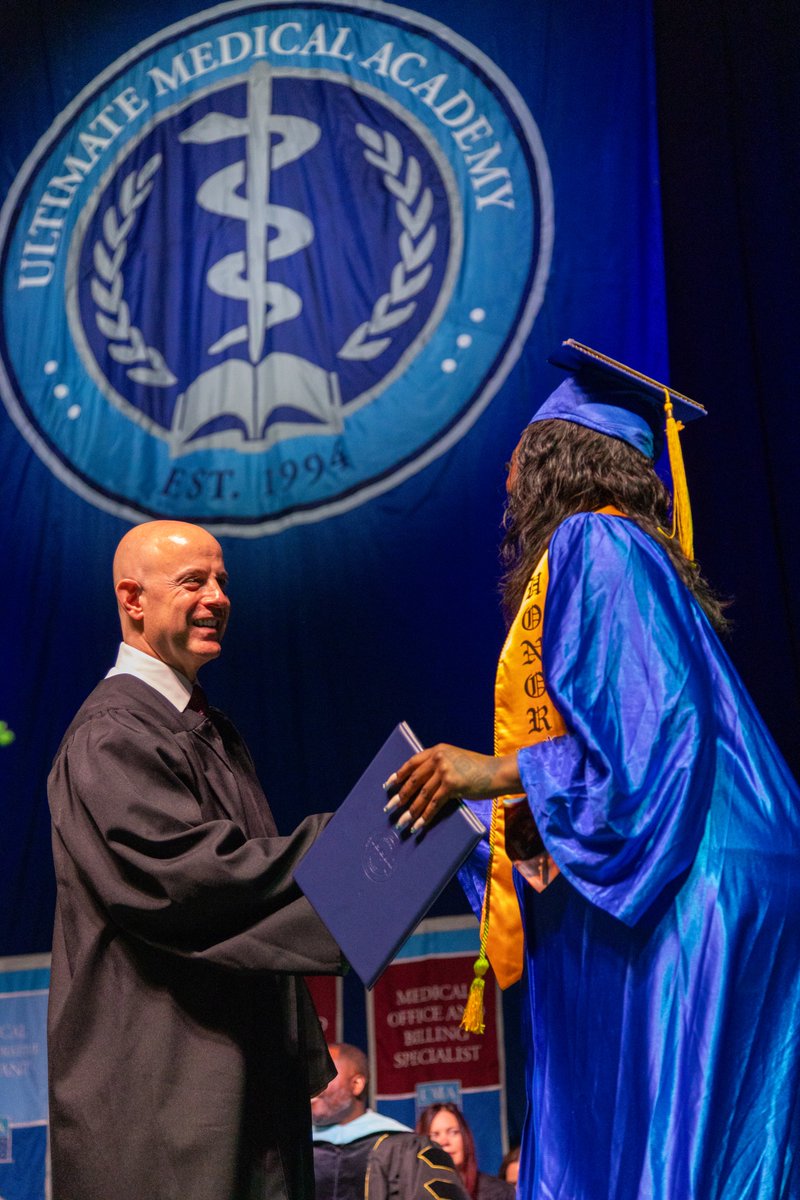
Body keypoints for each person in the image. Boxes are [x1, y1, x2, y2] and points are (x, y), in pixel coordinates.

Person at [386, 343, 800, 1198]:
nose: (505, 483)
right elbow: (612, 764)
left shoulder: (594, 541)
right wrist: (476, 838)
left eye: (515, 459)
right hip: (714, 876)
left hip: (694, 897)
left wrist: (491, 773)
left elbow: (650, 750)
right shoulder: (629, 556)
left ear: (551, 462)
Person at [47, 520, 346, 1200]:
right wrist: (364, 844)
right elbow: (195, 885)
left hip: (237, 1091)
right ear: (134, 600)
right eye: (193, 582)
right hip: (163, 1109)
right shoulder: (112, 737)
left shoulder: (202, 726)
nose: (218, 597)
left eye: (222, 581)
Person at [312, 1042, 469, 1200]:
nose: (311, 1085)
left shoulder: (409, 1149)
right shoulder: (297, 1151)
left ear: (357, 1084)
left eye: (323, 1076)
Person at [418, 1103, 515, 1200]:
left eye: (453, 1132)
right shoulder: (411, 1194)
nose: (444, 1141)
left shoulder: (499, 1192)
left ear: (465, 1138)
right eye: (435, 1135)